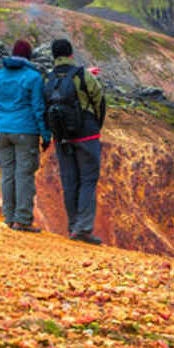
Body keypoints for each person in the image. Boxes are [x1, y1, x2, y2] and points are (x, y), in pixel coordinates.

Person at [44, 38, 107, 245]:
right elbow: (99, 99)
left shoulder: (50, 78)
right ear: (71, 54)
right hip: (86, 135)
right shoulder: (82, 75)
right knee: (88, 180)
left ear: (54, 56)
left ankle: (72, 227)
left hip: (62, 137)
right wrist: (95, 124)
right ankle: (83, 229)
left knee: (70, 181)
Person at [0, 39, 50, 232]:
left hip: (0, 130)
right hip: (25, 131)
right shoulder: (33, 77)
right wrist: (45, 135)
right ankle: (22, 220)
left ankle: (8, 217)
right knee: (24, 174)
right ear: (29, 57)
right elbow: (39, 109)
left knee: (7, 173)